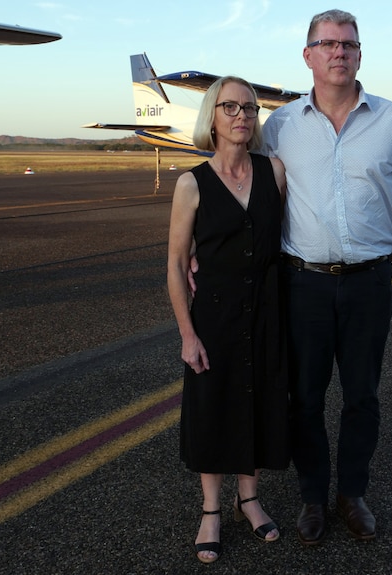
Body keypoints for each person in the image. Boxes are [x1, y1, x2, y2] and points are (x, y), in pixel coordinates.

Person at [261, 9, 392, 546]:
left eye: (349, 44)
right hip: (304, 284)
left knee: (362, 395)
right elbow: (256, 198)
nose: (339, 52)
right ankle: (313, 497)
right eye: (328, 43)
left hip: (367, 283)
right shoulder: (281, 125)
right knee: (304, 398)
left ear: (360, 54)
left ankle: (352, 494)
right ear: (308, 55)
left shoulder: (390, 120)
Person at [167, 75, 289, 564]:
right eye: (230, 107)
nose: (242, 115)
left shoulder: (274, 171)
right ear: (212, 117)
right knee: (212, 406)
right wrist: (187, 333)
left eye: (250, 108)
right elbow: (177, 264)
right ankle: (211, 510)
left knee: (259, 401)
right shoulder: (190, 183)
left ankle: (251, 500)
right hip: (214, 316)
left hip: (266, 310)